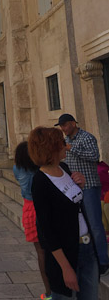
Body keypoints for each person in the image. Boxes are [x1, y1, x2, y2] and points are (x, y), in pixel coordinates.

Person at [30, 126, 98, 300]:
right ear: (51, 148)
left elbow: (72, 206)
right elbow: (46, 229)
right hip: (65, 255)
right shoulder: (40, 181)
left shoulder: (64, 168)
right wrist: (65, 268)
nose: (65, 145)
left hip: (86, 248)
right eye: (61, 142)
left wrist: (80, 186)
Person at [57, 112, 109, 275]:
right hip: (73, 189)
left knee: (95, 224)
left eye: (65, 125)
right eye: (61, 126)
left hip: (90, 187)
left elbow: (94, 156)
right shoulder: (66, 141)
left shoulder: (87, 137)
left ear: (73, 123)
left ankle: (103, 261)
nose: (64, 129)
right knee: (82, 225)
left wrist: (72, 148)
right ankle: (88, 258)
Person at [12, 141, 52, 300]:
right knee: (52, 249)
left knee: (40, 253)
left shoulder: (17, 169)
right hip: (42, 208)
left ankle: (48, 292)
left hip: (28, 209)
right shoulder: (40, 170)